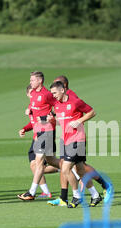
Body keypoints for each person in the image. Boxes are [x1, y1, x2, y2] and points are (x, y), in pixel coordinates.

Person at [47, 75, 110, 207]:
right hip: (65, 140)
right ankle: (95, 195)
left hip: (77, 139)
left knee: (65, 168)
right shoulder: (57, 106)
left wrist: (79, 121)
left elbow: (92, 112)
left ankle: (77, 196)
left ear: (62, 90)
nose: (53, 96)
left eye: (54, 93)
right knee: (80, 170)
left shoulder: (75, 101)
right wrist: (53, 121)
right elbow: (62, 122)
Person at [17, 71, 60, 201]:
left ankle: (32, 192)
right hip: (38, 132)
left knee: (39, 161)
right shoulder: (34, 94)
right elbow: (34, 113)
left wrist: (52, 116)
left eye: (32, 80)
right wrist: (28, 115)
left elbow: (58, 105)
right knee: (51, 160)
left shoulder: (46, 94)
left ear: (40, 81)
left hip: (46, 130)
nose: (30, 82)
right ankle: (73, 169)